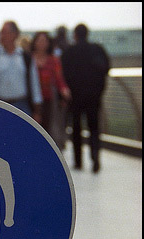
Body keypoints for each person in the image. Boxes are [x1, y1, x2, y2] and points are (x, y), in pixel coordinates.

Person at [61, 23, 110, 173]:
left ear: (75, 35)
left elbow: (64, 74)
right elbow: (106, 68)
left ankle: (78, 161)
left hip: (75, 98)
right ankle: (95, 158)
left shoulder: (69, 52)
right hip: (94, 97)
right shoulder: (97, 50)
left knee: (76, 128)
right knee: (94, 128)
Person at [0, 21, 43, 121]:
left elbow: (34, 83)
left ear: (15, 34)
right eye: (1, 33)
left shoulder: (26, 58)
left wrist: (37, 110)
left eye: (5, 32)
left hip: (22, 106)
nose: (2, 36)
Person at [30, 31, 71, 139]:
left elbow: (59, 78)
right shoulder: (29, 59)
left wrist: (64, 90)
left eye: (44, 41)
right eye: (39, 41)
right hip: (31, 99)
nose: (41, 44)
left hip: (47, 99)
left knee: (46, 129)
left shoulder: (53, 60)